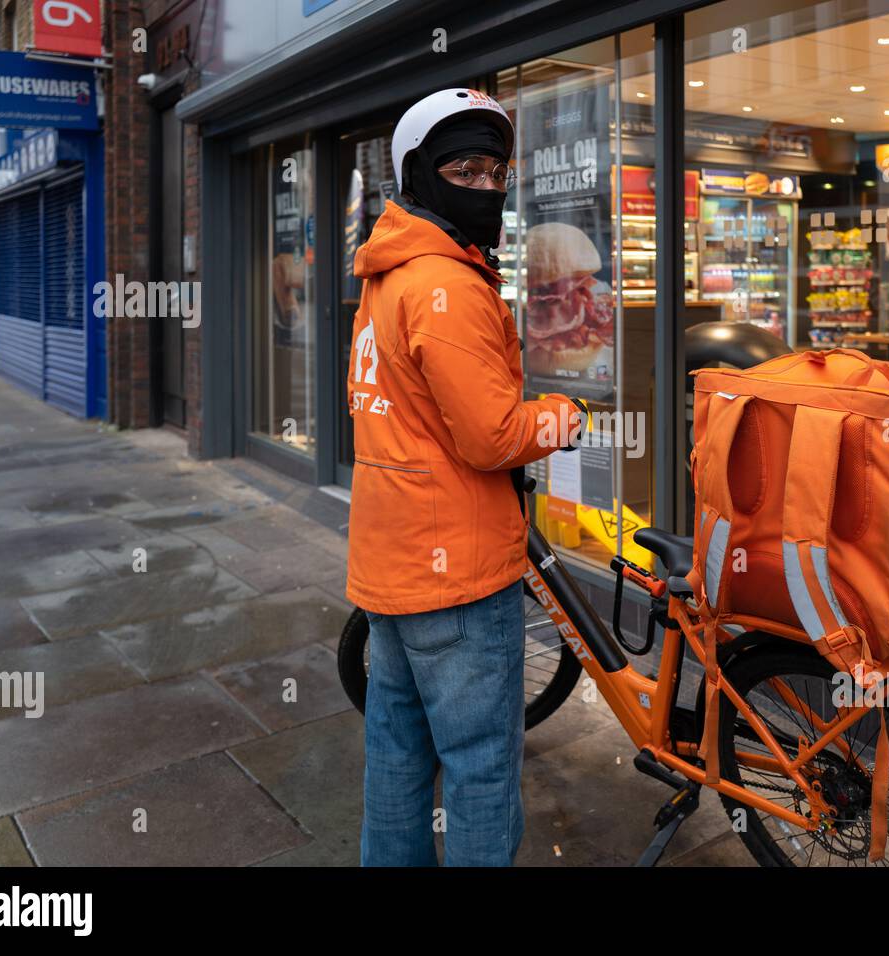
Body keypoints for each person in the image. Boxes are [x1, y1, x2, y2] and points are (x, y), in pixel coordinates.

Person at [346, 88, 583, 867]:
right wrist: (561, 415)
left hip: (391, 564)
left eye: (496, 171)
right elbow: (491, 438)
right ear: (421, 176)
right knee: (481, 767)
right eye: (465, 169)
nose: (487, 186)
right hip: (460, 576)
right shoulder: (445, 286)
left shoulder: (390, 273)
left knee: (397, 754)